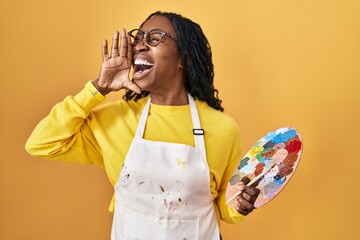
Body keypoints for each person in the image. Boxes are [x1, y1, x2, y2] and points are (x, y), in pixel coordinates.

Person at [25, 11, 260, 240]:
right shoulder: (113, 120)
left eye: (154, 38)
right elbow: (41, 144)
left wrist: (240, 204)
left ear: (184, 59)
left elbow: (222, 205)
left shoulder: (223, 129)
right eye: (138, 38)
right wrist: (99, 87)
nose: (139, 46)